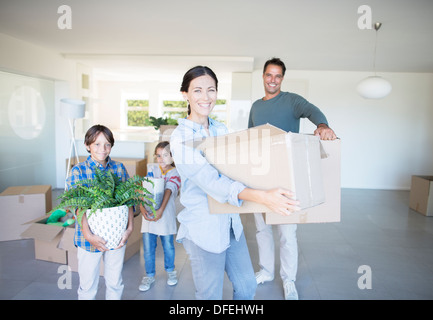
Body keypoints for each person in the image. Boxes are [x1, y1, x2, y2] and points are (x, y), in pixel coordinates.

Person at [170, 65, 301, 300]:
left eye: (211, 90)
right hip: (204, 229)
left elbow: (240, 167)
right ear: (185, 95)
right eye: (197, 90)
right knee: (210, 295)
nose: (205, 97)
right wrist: (263, 197)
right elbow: (212, 182)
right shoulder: (181, 137)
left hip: (231, 224)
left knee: (247, 286)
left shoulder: (221, 129)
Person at [248, 57, 337, 300]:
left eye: (277, 76)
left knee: (287, 233)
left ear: (282, 79)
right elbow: (249, 138)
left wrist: (322, 125)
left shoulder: (292, 100)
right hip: (260, 177)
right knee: (262, 230)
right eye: (269, 75)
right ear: (263, 76)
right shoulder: (255, 106)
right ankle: (266, 271)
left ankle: (289, 280)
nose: (273, 80)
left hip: (286, 174)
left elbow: (312, 111)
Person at [66, 124, 134, 300]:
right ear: (88, 145)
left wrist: (129, 229)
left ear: (111, 146)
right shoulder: (78, 171)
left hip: (117, 236)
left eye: (107, 144)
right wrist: (88, 235)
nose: (102, 149)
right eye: (96, 144)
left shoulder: (118, 168)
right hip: (88, 239)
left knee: (115, 283)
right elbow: (78, 207)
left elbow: (129, 201)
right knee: (87, 287)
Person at [138, 141, 181, 292]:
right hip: (149, 217)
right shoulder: (152, 169)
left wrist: (160, 210)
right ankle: (149, 275)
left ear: (172, 156)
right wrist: (142, 207)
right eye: (158, 156)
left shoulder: (175, 173)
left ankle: (170, 271)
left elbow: (169, 190)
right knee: (148, 248)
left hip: (165, 216)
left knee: (168, 246)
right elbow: (145, 188)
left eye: (165, 155)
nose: (161, 159)